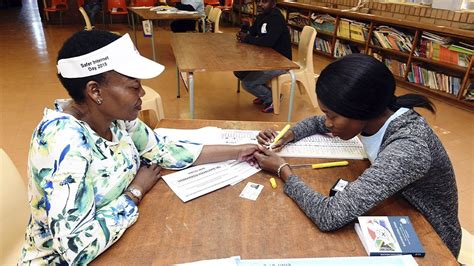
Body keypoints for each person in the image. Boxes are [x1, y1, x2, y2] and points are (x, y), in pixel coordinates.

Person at [19, 30, 258, 264]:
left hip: (120, 242)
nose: (142, 92)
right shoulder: (63, 142)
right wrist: (136, 191)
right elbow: (77, 247)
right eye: (134, 87)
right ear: (95, 91)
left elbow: (165, 151)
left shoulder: (117, 119)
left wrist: (239, 150)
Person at [253, 54, 461, 257]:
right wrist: (289, 134)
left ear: (362, 109)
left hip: (432, 238)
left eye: (332, 116)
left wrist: (282, 169)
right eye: (327, 114)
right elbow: (318, 122)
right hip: (400, 205)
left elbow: (329, 215)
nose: (327, 122)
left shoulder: (408, 147)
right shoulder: (379, 113)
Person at [234, 0, 291, 113]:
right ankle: (266, 93)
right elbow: (253, 33)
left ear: (273, 4)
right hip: (266, 59)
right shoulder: (261, 16)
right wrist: (244, 31)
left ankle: (272, 98)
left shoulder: (276, 18)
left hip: (281, 62)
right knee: (239, 72)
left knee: (247, 84)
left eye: (264, 2)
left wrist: (247, 38)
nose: (259, 4)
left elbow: (268, 42)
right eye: (258, 1)